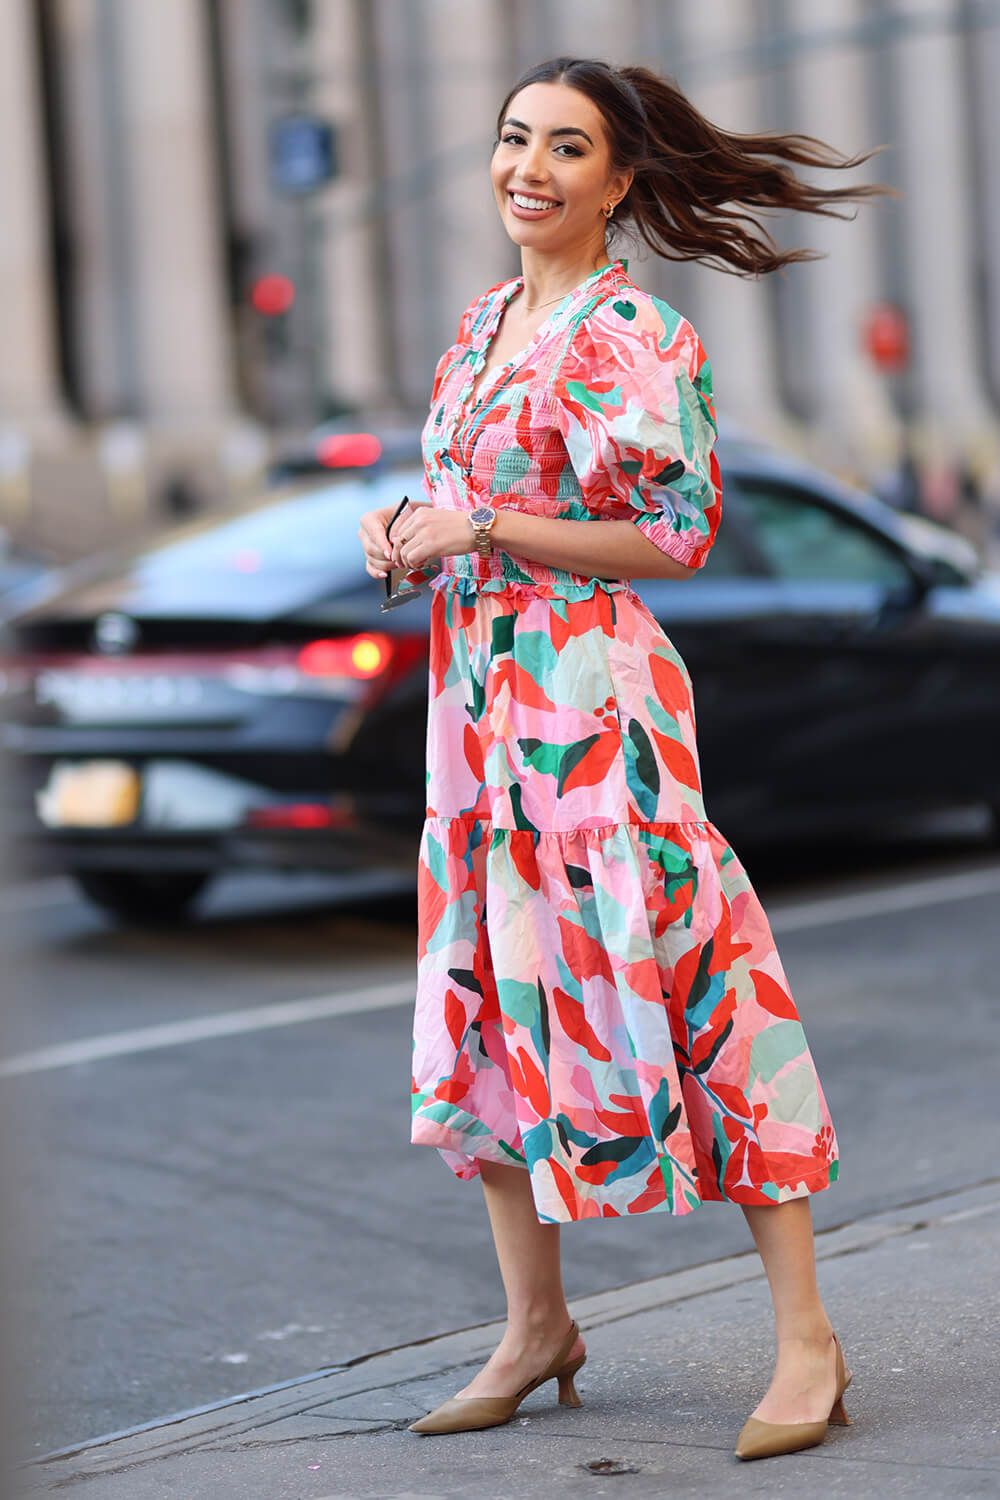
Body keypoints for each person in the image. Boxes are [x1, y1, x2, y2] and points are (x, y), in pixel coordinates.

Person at [358, 56, 882, 1462]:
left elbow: (678, 532)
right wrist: (415, 532)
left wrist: (485, 534)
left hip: (599, 708)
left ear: (621, 180)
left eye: (566, 147)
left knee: (695, 973)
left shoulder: (632, 334)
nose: (528, 166)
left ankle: (808, 1342)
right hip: (478, 716)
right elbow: (480, 502)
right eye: (514, 138)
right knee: (490, 989)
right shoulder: (481, 329)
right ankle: (536, 1326)